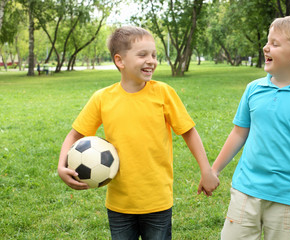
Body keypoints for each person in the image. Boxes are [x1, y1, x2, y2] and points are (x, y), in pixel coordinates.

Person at [57, 26, 219, 240]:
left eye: (154, 55)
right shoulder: (102, 98)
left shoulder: (163, 93)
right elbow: (75, 135)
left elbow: (188, 132)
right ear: (120, 61)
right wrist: (62, 165)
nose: (151, 60)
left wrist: (206, 170)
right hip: (119, 204)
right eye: (142, 54)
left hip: (158, 201)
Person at [212, 16, 290, 240]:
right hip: (246, 190)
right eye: (268, 41)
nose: (266, 47)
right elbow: (239, 133)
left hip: (288, 196)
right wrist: (215, 170)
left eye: (275, 44)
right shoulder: (253, 89)